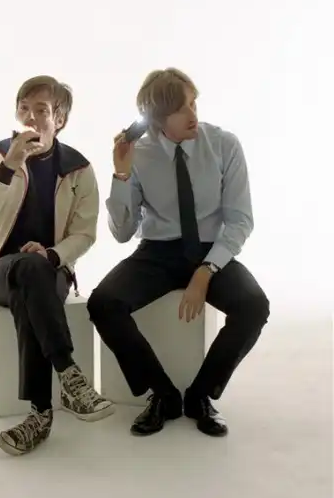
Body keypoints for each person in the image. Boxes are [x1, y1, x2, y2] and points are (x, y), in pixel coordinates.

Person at [87, 68, 269, 438]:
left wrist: (206, 270)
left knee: (254, 306)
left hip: (211, 249)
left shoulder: (224, 145)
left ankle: (201, 395)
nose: (192, 114)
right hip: (157, 252)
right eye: (181, 109)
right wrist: (121, 174)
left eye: (193, 103)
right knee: (103, 303)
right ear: (157, 118)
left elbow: (240, 220)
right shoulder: (140, 154)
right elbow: (122, 233)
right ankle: (163, 395)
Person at [0, 75, 114, 456]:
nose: (31, 118)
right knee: (26, 272)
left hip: (51, 269)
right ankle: (69, 375)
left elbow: (85, 234)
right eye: (24, 109)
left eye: (42, 111)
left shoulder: (78, 168)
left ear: (59, 119)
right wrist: (8, 167)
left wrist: (51, 254)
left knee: (32, 280)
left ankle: (40, 416)